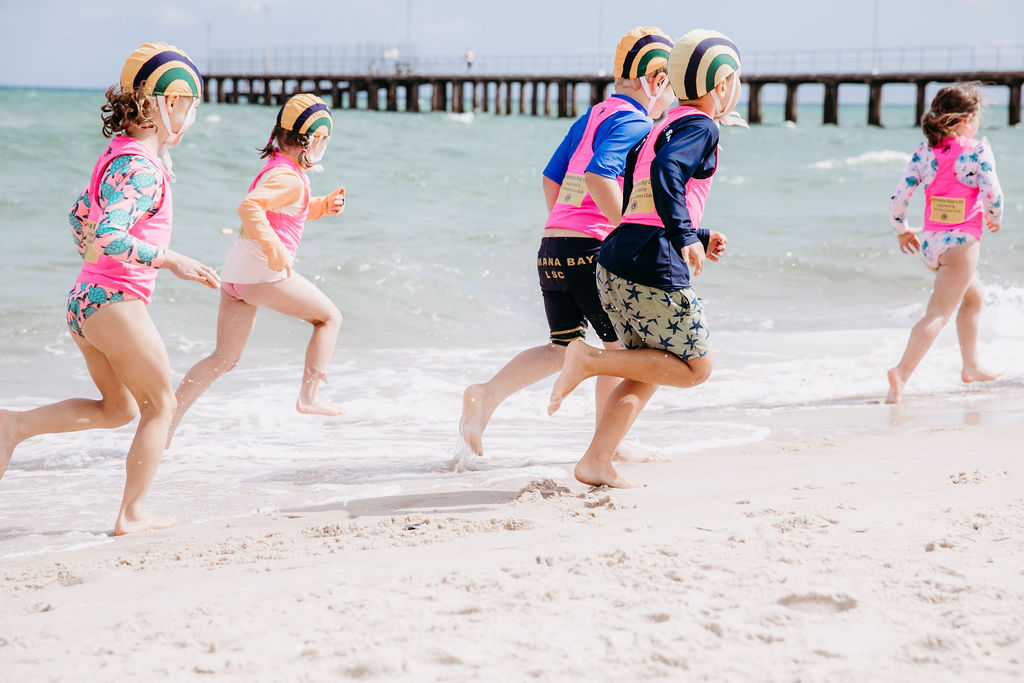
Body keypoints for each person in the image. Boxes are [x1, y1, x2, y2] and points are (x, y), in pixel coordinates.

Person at [0, 43, 219, 534]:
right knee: (161, 405)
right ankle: (132, 514)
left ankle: (13, 425)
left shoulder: (116, 155)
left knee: (118, 408)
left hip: (84, 303)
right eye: (188, 104)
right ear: (165, 104)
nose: (190, 116)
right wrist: (172, 260)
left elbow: (80, 215)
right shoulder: (144, 167)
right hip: (116, 302)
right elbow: (108, 234)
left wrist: (98, 264)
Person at [459, 27, 678, 457]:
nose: (670, 97)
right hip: (591, 250)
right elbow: (600, 174)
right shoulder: (635, 122)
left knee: (561, 347)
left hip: (553, 248)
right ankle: (607, 443)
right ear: (654, 81)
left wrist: (563, 227)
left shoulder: (592, 115)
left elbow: (551, 177)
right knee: (618, 350)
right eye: (670, 86)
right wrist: (625, 227)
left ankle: (485, 395)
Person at [546, 29, 744, 488]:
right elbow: (666, 172)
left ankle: (597, 459)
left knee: (651, 365)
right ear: (721, 86)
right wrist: (683, 237)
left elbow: (643, 200)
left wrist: (699, 233)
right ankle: (590, 361)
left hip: (615, 259)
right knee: (697, 369)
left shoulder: (660, 125)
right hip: (652, 264)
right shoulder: (701, 126)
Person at [167, 94, 347, 444]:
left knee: (223, 358)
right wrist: (274, 247)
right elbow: (250, 207)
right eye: (323, 141)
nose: (323, 148)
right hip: (260, 270)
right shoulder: (290, 178)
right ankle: (309, 397)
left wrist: (323, 205)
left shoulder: (280, 168)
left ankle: (166, 423)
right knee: (329, 319)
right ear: (310, 141)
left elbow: (289, 209)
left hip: (237, 270)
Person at [885, 82, 1004, 403]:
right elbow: (993, 192)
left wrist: (902, 230)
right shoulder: (977, 150)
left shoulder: (924, 153)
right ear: (967, 119)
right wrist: (995, 216)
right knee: (937, 314)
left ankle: (971, 366)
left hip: (931, 242)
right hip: (962, 242)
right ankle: (901, 373)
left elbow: (898, 198)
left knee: (975, 297)